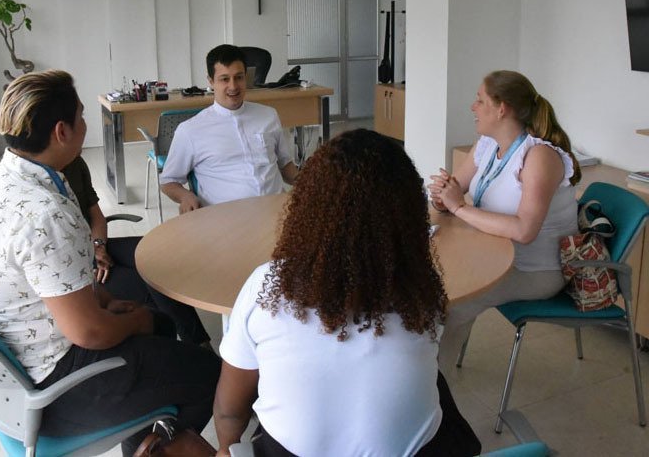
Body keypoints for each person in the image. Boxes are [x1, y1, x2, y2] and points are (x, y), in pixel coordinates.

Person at [0, 70, 220, 456]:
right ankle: (153, 445)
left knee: (162, 327)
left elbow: (52, 281)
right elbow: (90, 334)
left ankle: (149, 435)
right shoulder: (44, 213)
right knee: (208, 371)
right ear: (61, 132)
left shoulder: (1, 181)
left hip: (24, 359)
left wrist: (101, 298)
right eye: (81, 117)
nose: (87, 125)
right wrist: (135, 320)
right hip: (58, 385)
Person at [213, 129, 480, 457]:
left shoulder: (266, 285)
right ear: (408, 216)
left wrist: (226, 449)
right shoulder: (419, 292)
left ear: (307, 210)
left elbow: (229, 411)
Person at [428, 70, 580, 372]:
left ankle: (433, 392)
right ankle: (423, 373)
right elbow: (456, 191)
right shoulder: (486, 144)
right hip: (492, 255)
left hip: (535, 269)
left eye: (479, 100)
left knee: (449, 304)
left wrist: (457, 207)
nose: (473, 107)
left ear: (502, 109)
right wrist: (442, 197)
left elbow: (524, 230)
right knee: (430, 282)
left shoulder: (539, 157)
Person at [61, 155, 212, 346]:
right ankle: (189, 348)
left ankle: (197, 344)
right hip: (71, 267)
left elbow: (96, 214)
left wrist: (98, 246)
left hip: (94, 247)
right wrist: (87, 260)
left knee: (156, 255)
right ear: (61, 132)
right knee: (152, 285)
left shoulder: (75, 162)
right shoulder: (35, 194)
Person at [160, 44, 298, 213]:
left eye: (239, 77)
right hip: (227, 220)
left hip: (277, 211)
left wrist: (312, 183)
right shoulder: (190, 130)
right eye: (224, 79)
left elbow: (286, 166)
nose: (233, 87)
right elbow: (168, 181)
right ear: (211, 81)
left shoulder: (268, 116)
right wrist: (186, 196)